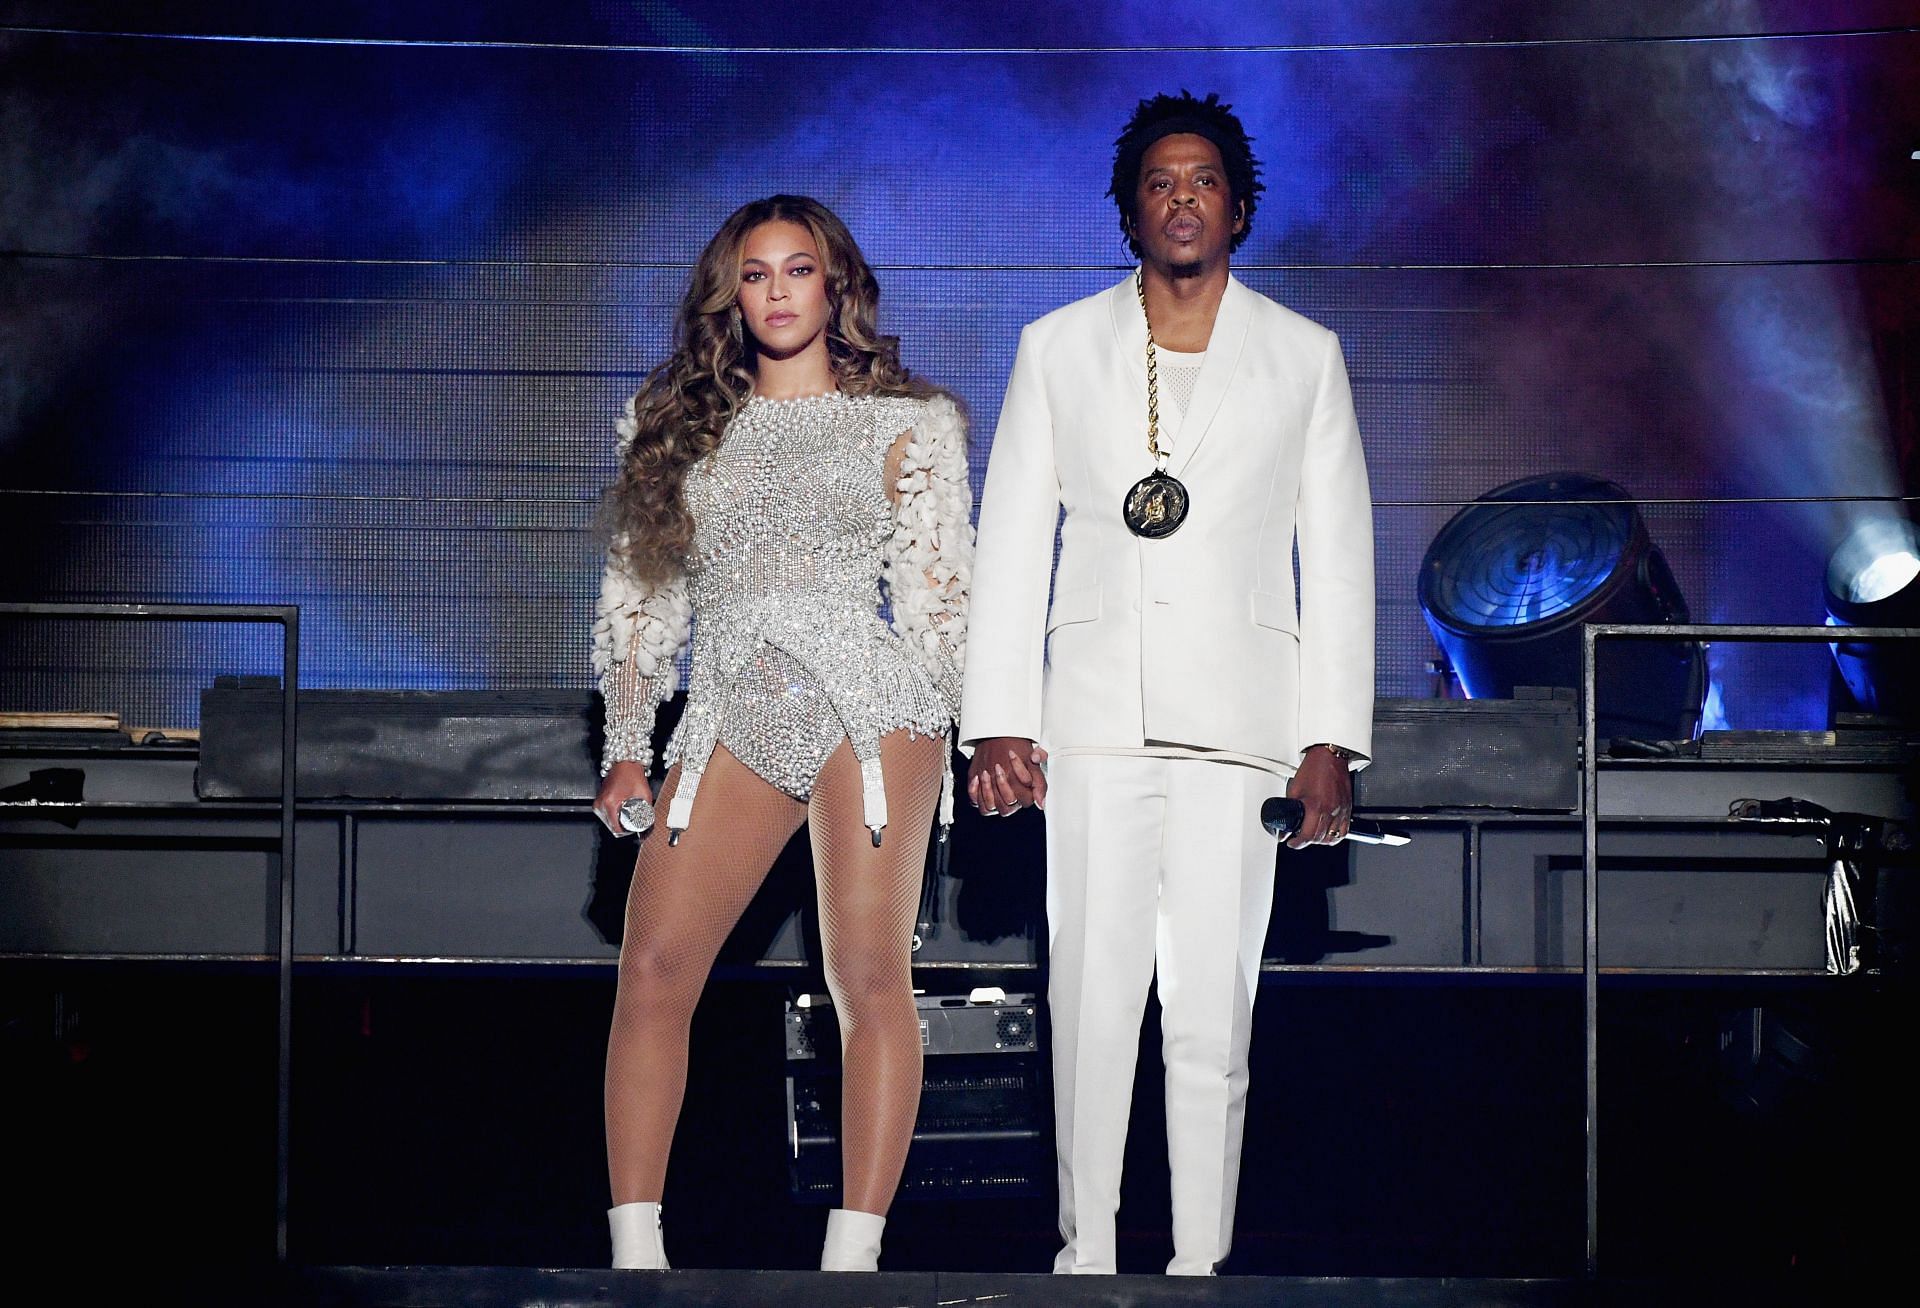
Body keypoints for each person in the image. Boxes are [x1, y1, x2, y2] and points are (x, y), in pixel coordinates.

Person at [959, 91, 1375, 1276]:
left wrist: (1329, 742)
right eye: (1159, 181)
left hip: (1242, 730)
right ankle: (1084, 1258)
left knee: (1211, 1021)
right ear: (1128, 211)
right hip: (1089, 724)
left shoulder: (1304, 357)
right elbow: (1009, 543)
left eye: (1203, 180)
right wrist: (998, 721)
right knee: (1090, 1013)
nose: (1182, 198)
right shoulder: (1057, 345)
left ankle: (1201, 1266)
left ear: (1238, 207)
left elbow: (1339, 560)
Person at [591, 195, 973, 1273]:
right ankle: (634, 1259)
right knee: (656, 967)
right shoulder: (672, 424)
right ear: (732, 295)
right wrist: (628, 739)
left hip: (871, 708)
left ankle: (851, 1264)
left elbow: (942, 600)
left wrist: (970, 739)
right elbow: (639, 597)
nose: (775, 292)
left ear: (834, 284)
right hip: (730, 710)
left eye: (797, 270)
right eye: (753, 275)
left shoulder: (910, 421)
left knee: (866, 976)